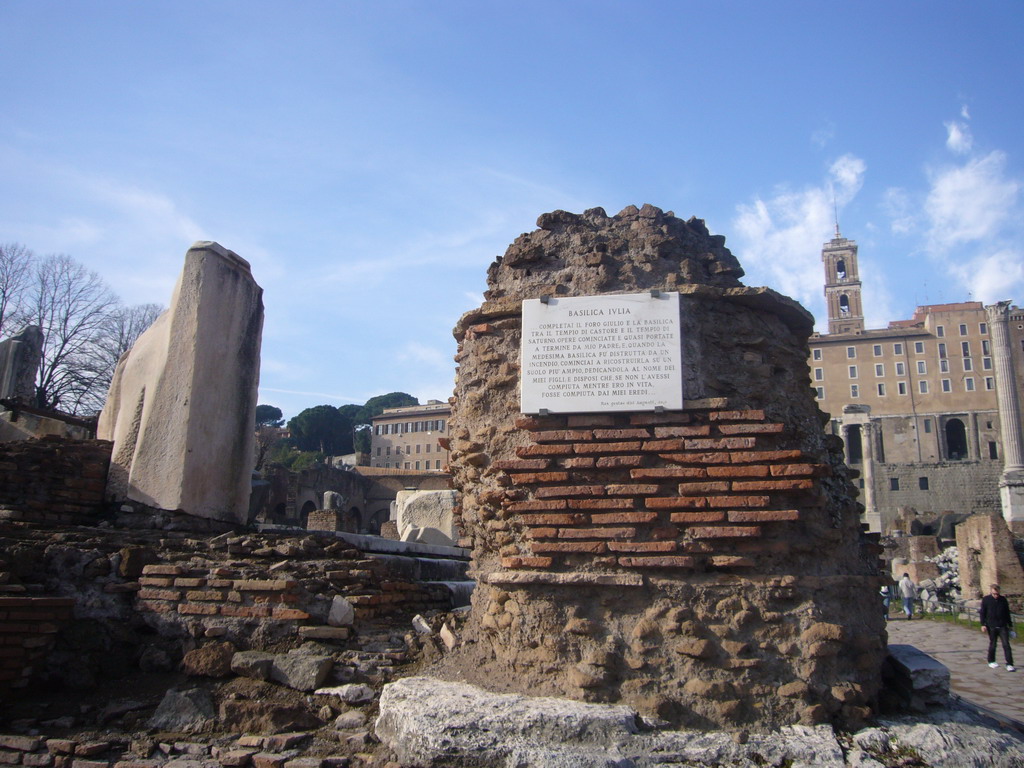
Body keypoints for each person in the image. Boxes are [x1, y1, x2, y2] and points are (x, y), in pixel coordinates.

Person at [980, 583, 1015, 672]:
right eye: (994, 594)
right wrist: (983, 624)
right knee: (993, 644)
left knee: (1006, 645)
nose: (996, 596)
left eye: (997, 594)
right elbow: (983, 612)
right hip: (991, 625)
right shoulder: (986, 599)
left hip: (1002, 625)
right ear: (991, 592)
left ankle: (1010, 664)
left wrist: (1010, 625)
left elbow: (1007, 613)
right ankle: (991, 661)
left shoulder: (1003, 600)